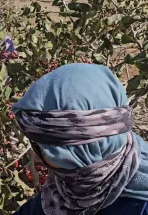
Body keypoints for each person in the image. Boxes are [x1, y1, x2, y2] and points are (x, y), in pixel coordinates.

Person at [12, 63, 148, 215]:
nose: (36, 158)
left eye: (42, 149)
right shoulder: (73, 182)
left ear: (81, 150)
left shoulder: (140, 207)